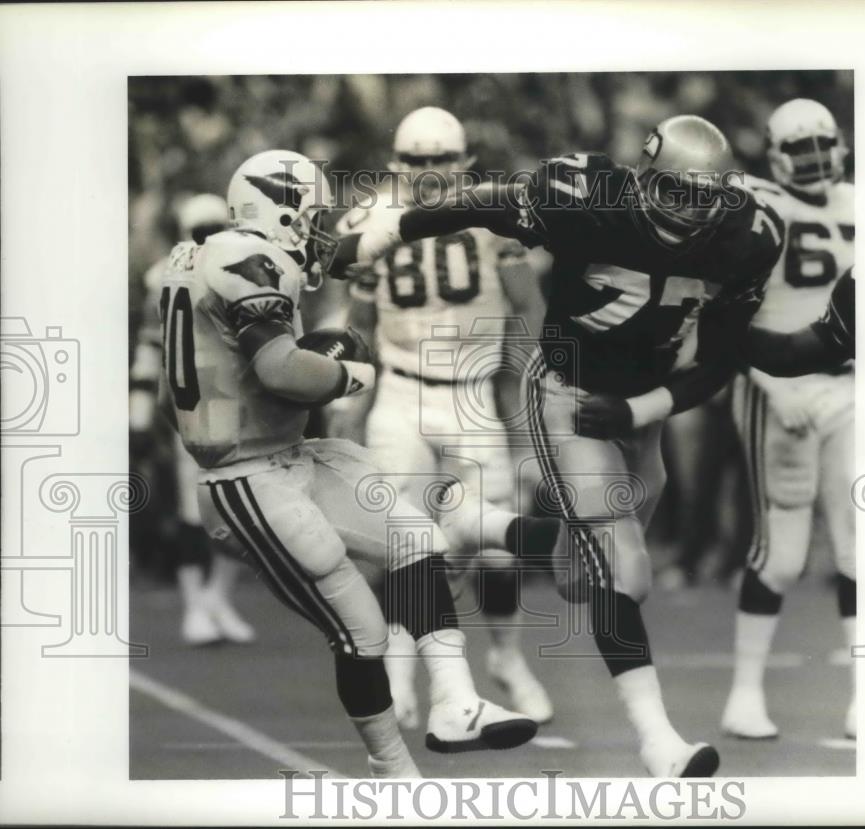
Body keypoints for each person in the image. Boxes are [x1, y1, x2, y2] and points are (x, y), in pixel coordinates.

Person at [332, 114, 786, 777]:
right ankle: (660, 741)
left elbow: (721, 359)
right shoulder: (589, 197)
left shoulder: (748, 236)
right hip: (569, 390)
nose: (689, 211)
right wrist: (385, 232)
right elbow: (488, 203)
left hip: (641, 405)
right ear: (643, 179)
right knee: (621, 567)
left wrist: (640, 408)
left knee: (583, 577)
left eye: (703, 197)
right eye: (674, 193)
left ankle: (471, 526)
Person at [158, 149, 537, 778]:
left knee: (417, 538)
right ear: (280, 210)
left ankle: (456, 703)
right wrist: (349, 376)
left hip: (287, 455)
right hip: (246, 477)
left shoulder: (214, 254)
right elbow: (281, 370)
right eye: (308, 213)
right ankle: (393, 771)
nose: (317, 226)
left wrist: (458, 209)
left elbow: (356, 249)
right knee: (361, 630)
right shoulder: (244, 261)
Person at [332, 107, 553, 729]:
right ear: (400, 164)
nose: (430, 172)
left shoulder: (496, 214)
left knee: (496, 550)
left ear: (463, 162)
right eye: (419, 161)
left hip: (472, 393)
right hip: (401, 392)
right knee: (406, 542)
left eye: (440, 160)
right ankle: (402, 674)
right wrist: (351, 402)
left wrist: (528, 386)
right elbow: (359, 327)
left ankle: (508, 659)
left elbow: (529, 312)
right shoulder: (371, 217)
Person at [722, 99, 857, 740]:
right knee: (783, 556)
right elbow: (722, 317)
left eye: (821, 146)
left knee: (862, 544)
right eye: (798, 151)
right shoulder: (756, 207)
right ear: (775, 158)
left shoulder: (863, 204)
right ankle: (744, 694)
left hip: (854, 388)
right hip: (778, 385)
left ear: (841, 146)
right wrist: (771, 384)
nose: (814, 160)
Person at [130, 193, 256, 646]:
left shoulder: (246, 268)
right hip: (192, 402)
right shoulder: (162, 277)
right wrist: (140, 414)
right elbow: (150, 343)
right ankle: (195, 605)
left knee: (243, 511)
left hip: (240, 402)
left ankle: (216, 597)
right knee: (192, 509)